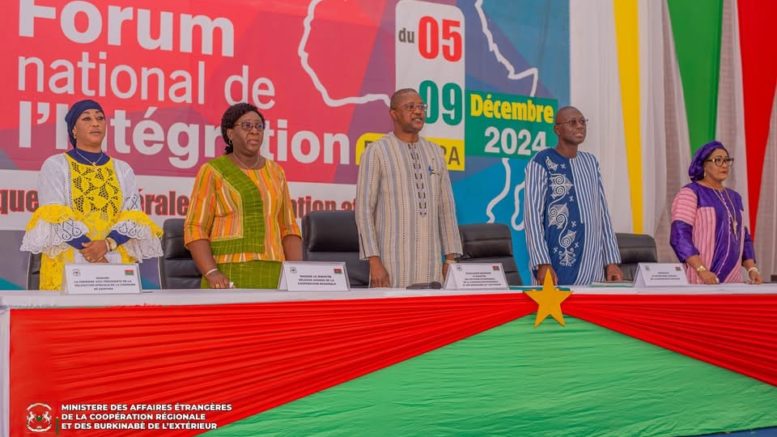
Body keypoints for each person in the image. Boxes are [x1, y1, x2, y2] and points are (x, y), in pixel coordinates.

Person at [20, 99, 163, 290]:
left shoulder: (122, 169)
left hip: (114, 260)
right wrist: (93, 252)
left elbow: (133, 216)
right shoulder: (56, 165)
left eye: (100, 118)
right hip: (69, 261)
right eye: (86, 118)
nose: (95, 123)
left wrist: (107, 244)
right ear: (74, 130)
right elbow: (54, 216)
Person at [184, 103, 302, 289]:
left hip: (274, 272)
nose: (254, 131)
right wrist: (212, 272)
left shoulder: (276, 172)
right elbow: (195, 227)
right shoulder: (212, 171)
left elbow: (288, 227)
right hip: (225, 273)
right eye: (247, 126)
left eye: (259, 126)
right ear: (230, 134)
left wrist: (298, 273)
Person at [355, 88, 462, 288]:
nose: (418, 111)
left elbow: (446, 209)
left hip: (431, 267)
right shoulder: (377, 151)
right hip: (391, 267)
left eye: (421, 106)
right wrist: (374, 261)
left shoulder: (435, 152)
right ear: (394, 114)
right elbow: (364, 210)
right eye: (410, 107)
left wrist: (450, 259)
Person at [524, 106, 623, 286]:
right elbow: (532, 217)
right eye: (572, 122)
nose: (580, 126)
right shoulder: (542, 161)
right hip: (556, 263)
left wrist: (611, 261)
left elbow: (603, 215)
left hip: (593, 265)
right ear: (557, 129)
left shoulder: (590, 162)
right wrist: (542, 262)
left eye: (583, 121)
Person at [670, 141, 762, 285]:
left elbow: (744, 238)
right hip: (701, 281)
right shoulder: (690, 193)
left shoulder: (735, 198)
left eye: (726, 160)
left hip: (734, 284)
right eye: (718, 160)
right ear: (703, 165)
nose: (724, 165)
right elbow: (679, 236)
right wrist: (701, 270)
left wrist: (752, 269)